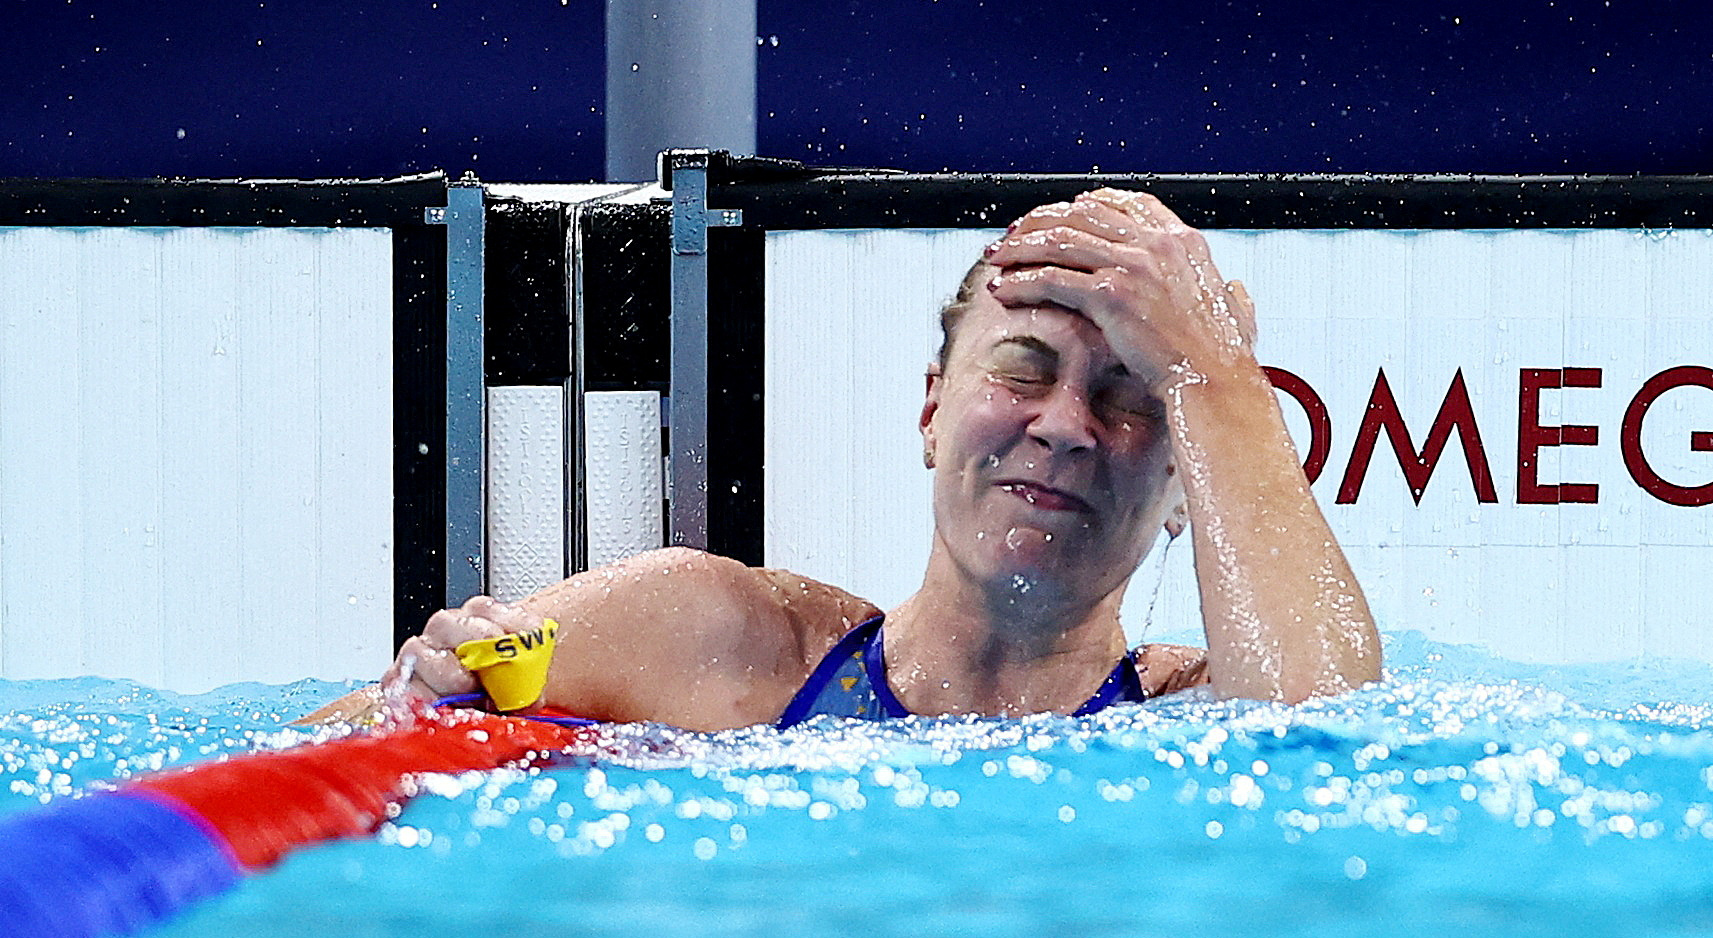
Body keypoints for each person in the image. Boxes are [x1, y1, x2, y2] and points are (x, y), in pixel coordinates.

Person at [313, 188, 1379, 730]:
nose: (1061, 425)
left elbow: (1323, 756)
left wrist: (1214, 375)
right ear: (931, 409)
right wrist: (419, 692)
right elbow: (323, 752)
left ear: (1193, 485)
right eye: (1021, 370)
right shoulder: (722, 645)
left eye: (1127, 398)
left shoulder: (1198, 718)